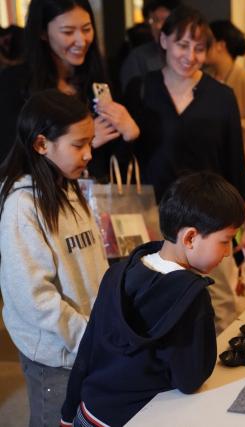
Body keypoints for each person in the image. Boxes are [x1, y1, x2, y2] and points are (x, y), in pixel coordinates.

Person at [60, 171, 245, 427]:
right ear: (190, 237)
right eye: (225, 241)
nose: (227, 253)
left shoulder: (118, 272)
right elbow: (190, 380)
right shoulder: (191, 296)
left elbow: (88, 349)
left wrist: (68, 414)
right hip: (136, 418)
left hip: (89, 411)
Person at [124, 6, 245, 333]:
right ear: (163, 40)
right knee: (158, 293)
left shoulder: (221, 96)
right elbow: (127, 153)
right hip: (154, 211)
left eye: (199, 48)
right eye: (182, 45)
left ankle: (222, 363)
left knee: (219, 296)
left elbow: (234, 161)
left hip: (210, 215)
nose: (190, 56)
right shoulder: (141, 89)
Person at [0, 90, 108, 427]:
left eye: (90, 143)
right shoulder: (22, 205)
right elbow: (36, 298)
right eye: (78, 145)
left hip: (86, 345)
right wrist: (87, 338)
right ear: (41, 144)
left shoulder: (68, 186)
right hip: (55, 356)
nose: (89, 154)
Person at [0, 0, 139, 179]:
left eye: (87, 29)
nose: (81, 41)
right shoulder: (15, 82)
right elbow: (12, 155)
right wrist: (83, 142)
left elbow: (114, 162)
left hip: (96, 199)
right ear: (42, 32)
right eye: (68, 32)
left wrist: (129, 135)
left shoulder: (99, 81)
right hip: (42, 199)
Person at [205, 20, 245, 173]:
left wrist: (228, 125)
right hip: (217, 157)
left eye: (208, 42)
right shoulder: (205, 75)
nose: (202, 46)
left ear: (221, 45)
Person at [120, 0, 181, 92]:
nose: (158, 26)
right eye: (154, 20)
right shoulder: (138, 58)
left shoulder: (188, 54)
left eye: (164, 20)